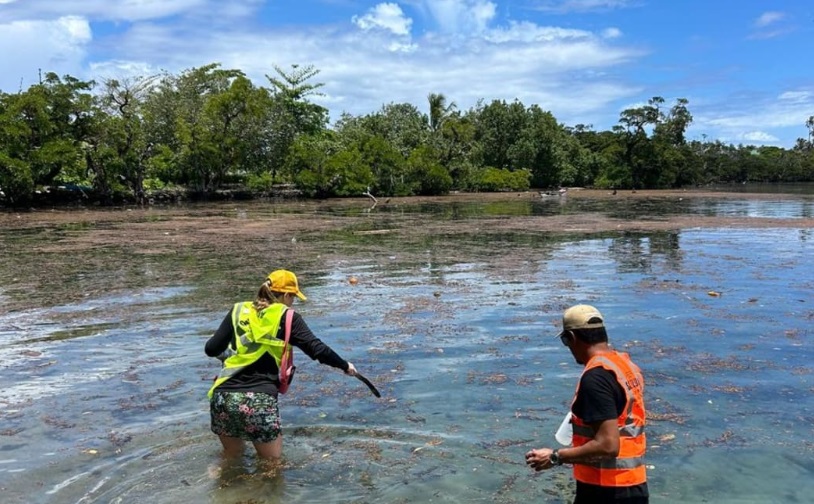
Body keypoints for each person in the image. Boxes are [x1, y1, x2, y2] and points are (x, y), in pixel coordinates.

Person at [205, 269, 359, 461]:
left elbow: (211, 348)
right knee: (272, 466)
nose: (292, 301)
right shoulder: (287, 317)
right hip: (258, 400)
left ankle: (220, 484)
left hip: (223, 397)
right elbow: (317, 349)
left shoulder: (238, 310)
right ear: (286, 295)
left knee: (231, 457)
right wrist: (345, 365)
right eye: (293, 296)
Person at [525, 304, 648, 504]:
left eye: (565, 341)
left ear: (572, 338)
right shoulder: (625, 367)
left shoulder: (595, 378)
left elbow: (607, 446)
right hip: (633, 486)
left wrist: (555, 457)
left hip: (606, 491)